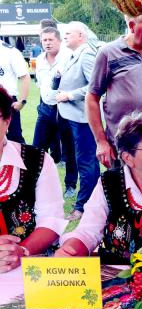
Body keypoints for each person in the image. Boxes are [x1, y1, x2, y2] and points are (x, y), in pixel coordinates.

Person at [57, 112, 142, 263]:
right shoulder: (110, 182)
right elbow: (88, 231)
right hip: (114, 273)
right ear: (128, 158)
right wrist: (70, 250)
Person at [0, 86, 66, 272]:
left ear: (7, 121)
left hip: (29, 267)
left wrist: (19, 252)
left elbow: (51, 220)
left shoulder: (37, 160)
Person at [86, 11, 142, 169]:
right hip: (123, 146)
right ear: (132, 26)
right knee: (123, 184)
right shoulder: (108, 53)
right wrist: (101, 142)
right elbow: (91, 98)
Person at [55, 22, 100, 221]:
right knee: (86, 161)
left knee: (86, 162)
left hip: (83, 119)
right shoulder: (75, 54)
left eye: (68, 33)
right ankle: (93, 201)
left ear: (81, 35)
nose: (64, 36)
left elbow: (94, 86)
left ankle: (83, 206)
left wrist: (69, 95)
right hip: (72, 116)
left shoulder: (87, 54)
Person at [33, 27, 78, 199]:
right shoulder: (39, 59)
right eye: (44, 40)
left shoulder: (69, 57)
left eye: (51, 39)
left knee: (69, 149)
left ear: (59, 41)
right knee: (37, 149)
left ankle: (70, 185)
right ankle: (37, 185)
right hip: (45, 109)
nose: (47, 43)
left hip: (65, 108)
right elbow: (41, 85)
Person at [0, 39, 30, 143]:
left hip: (5, 101)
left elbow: (24, 76)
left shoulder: (10, 52)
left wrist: (22, 101)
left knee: (14, 140)